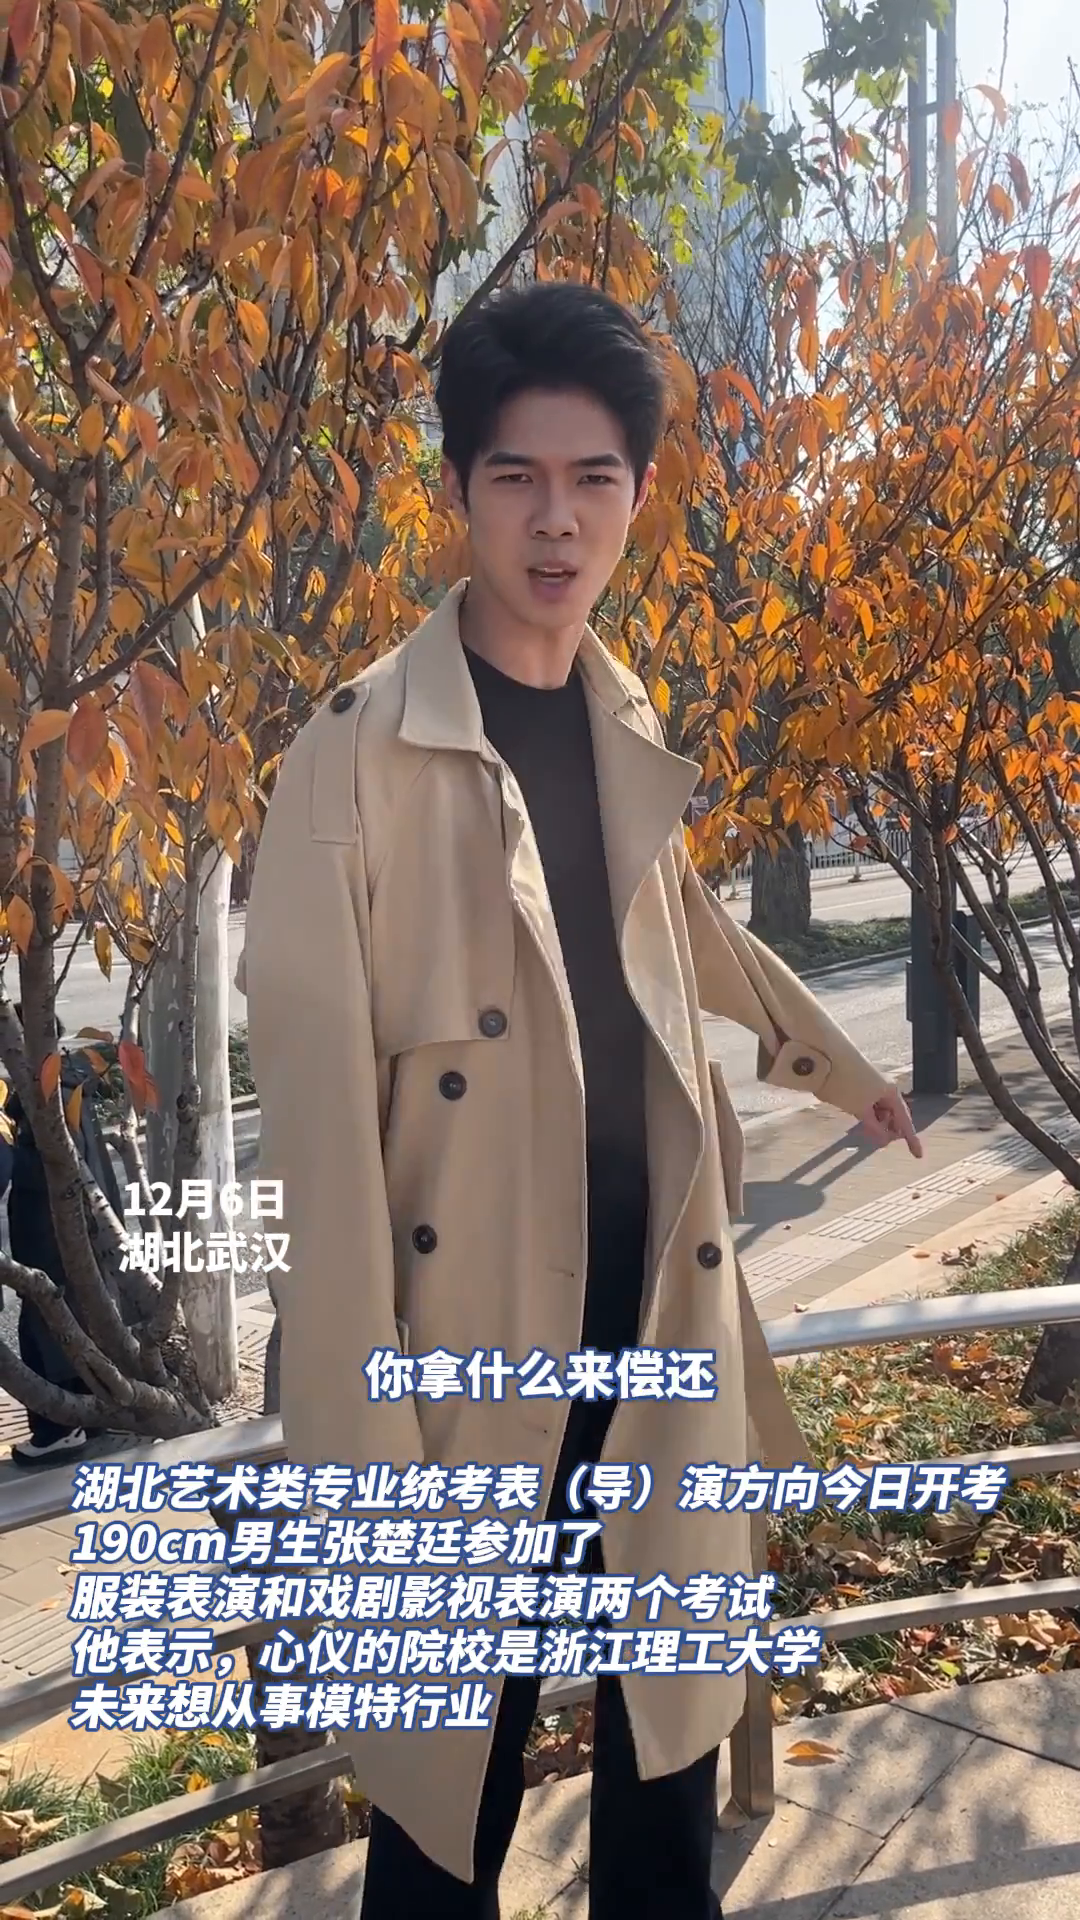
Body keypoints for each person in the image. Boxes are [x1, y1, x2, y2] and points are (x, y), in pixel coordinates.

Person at [237, 280, 922, 1919]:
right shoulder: (350, 758)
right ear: (459, 490)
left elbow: (680, 932)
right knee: (442, 1818)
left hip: (654, 1328)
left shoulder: (625, 715)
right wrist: (367, 1449)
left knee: (663, 1776)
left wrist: (836, 1064)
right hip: (470, 1363)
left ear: (637, 493)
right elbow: (323, 1154)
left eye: (592, 479)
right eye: (517, 478)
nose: (556, 521)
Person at [5, 1009, 124, 1466]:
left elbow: (27, 1170)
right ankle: (94, 1413)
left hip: (49, 1232)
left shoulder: (36, 1102)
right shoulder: (71, 1080)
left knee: (45, 1326)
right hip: (85, 1228)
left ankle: (58, 1429)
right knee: (85, 1315)